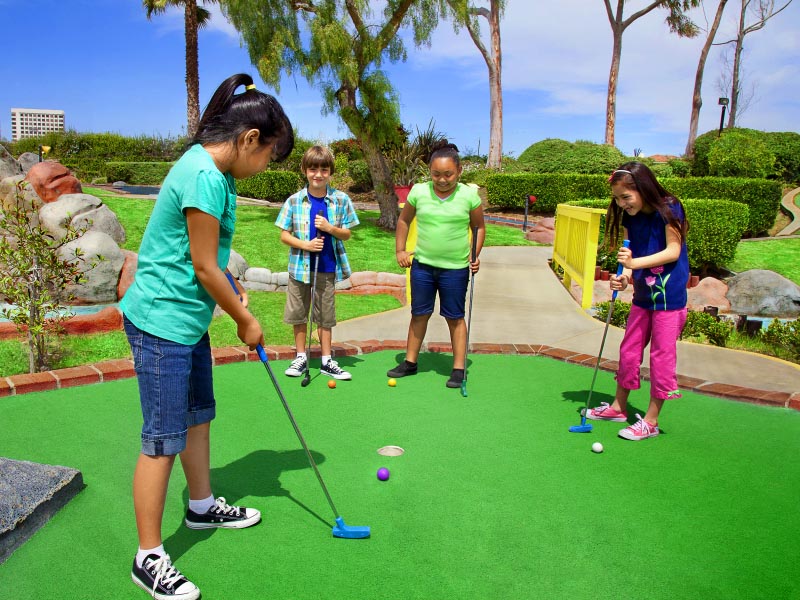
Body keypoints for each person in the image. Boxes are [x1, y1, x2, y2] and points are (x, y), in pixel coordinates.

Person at [120, 73, 294, 600]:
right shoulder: (201, 174)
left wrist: (234, 286)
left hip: (187, 320)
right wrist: (244, 318)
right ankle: (147, 556)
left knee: (198, 418)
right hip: (160, 322)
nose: (266, 167)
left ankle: (201, 508)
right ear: (248, 140)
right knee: (161, 441)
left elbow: (211, 257)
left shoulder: (218, 175)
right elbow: (200, 266)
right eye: (269, 156)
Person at [586, 161, 690, 441]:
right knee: (629, 350)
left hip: (670, 299)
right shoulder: (631, 216)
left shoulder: (669, 208)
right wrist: (627, 276)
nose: (621, 204)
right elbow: (631, 258)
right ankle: (619, 407)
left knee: (661, 357)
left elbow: (672, 251)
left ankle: (651, 421)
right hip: (644, 296)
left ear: (643, 188)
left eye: (626, 197)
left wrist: (635, 263)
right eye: (617, 199)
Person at [387, 141, 486, 388]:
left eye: (448, 174)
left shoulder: (468, 196)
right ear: (429, 172)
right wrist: (400, 250)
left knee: (455, 317)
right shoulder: (419, 192)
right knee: (419, 313)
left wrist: (475, 255)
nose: (442, 180)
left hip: (455, 269)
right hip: (422, 266)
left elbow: (479, 227)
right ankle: (410, 362)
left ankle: (459, 368)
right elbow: (403, 221)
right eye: (436, 174)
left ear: (459, 171)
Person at [276, 145, 360, 381]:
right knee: (299, 313)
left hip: (326, 267)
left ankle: (326, 360)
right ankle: (301, 357)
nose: (318, 174)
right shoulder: (294, 201)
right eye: (313, 169)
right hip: (299, 268)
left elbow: (347, 234)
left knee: (325, 316)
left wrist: (330, 228)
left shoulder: (340, 200)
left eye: (324, 169)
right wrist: (306, 245)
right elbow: (284, 234)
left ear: (330, 172)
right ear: (305, 170)